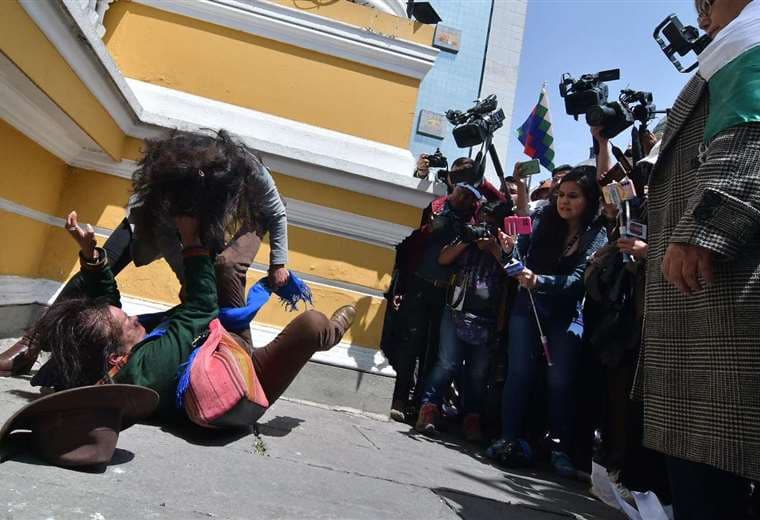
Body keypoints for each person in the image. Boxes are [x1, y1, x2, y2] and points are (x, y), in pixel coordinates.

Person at [0, 129, 291, 377]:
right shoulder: (172, 181)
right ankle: (33, 341)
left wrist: (279, 262)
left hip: (241, 216)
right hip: (156, 219)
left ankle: (233, 355)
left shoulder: (249, 171)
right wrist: (186, 278)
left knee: (221, 275)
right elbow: (170, 242)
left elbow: (277, 213)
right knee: (98, 265)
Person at [37, 210, 355, 420]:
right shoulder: (147, 368)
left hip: (218, 340)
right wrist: (192, 240)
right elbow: (202, 307)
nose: (132, 317)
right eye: (128, 322)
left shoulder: (116, 354)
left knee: (227, 268)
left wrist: (91, 255)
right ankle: (334, 333)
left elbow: (108, 304)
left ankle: (259, 212)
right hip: (243, 379)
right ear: (116, 357)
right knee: (313, 325)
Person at [633, 0, 760, 517]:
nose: (701, 15)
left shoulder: (751, 41)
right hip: (700, 307)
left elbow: (750, 134)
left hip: (725, 290)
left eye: (708, 2)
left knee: (718, 473)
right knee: (699, 473)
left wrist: (704, 228)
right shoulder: (731, 49)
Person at [486, 166, 607, 477]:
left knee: (561, 382)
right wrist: (510, 250)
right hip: (528, 307)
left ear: (589, 199)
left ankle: (560, 449)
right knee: (520, 373)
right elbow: (518, 251)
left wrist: (538, 280)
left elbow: (578, 282)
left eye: (573, 196)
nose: (564, 202)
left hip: (567, 314)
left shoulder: (597, 233)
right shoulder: (540, 219)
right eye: (560, 195)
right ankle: (508, 438)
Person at [415, 200, 514, 442]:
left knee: (478, 372)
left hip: (488, 316)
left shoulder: (506, 245)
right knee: (447, 363)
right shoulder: (466, 236)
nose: (486, 227)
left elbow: (512, 271)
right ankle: (429, 409)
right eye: (484, 221)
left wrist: (494, 247)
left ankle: (471, 417)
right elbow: (443, 259)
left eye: (492, 223)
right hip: (456, 308)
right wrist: (468, 240)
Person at [389, 183, 482, 422]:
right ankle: (399, 397)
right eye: (459, 191)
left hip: (446, 294)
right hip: (420, 284)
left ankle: (420, 404)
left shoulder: (472, 222)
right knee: (411, 342)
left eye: (467, 195)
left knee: (434, 352)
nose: (460, 197)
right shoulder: (435, 208)